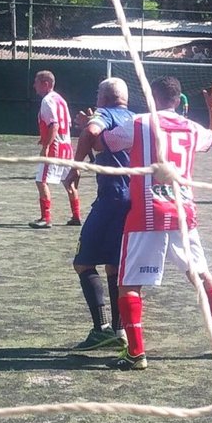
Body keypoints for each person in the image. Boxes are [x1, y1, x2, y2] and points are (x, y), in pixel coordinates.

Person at [107, 78, 212, 371]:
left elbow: (110, 141)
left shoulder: (140, 123)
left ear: (152, 96)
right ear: (177, 101)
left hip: (146, 213)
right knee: (202, 275)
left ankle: (136, 353)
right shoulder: (190, 127)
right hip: (182, 213)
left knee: (128, 284)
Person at [64, 78, 135, 352]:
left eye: (97, 93)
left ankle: (101, 328)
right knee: (115, 267)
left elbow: (91, 133)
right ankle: (119, 331)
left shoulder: (104, 114)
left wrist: (75, 168)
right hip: (133, 199)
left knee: (83, 263)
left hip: (111, 198)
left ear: (104, 97)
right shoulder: (134, 118)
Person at [31, 70, 81, 229]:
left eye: (36, 82)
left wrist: (46, 146)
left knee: (41, 181)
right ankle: (76, 216)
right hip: (66, 146)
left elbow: (54, 125)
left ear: (45, 84)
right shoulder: (61, 100)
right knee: (68, 182)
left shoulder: (47, 101)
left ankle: (45, 218)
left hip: (55, 148)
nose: (34, 86)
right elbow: (66, 125)